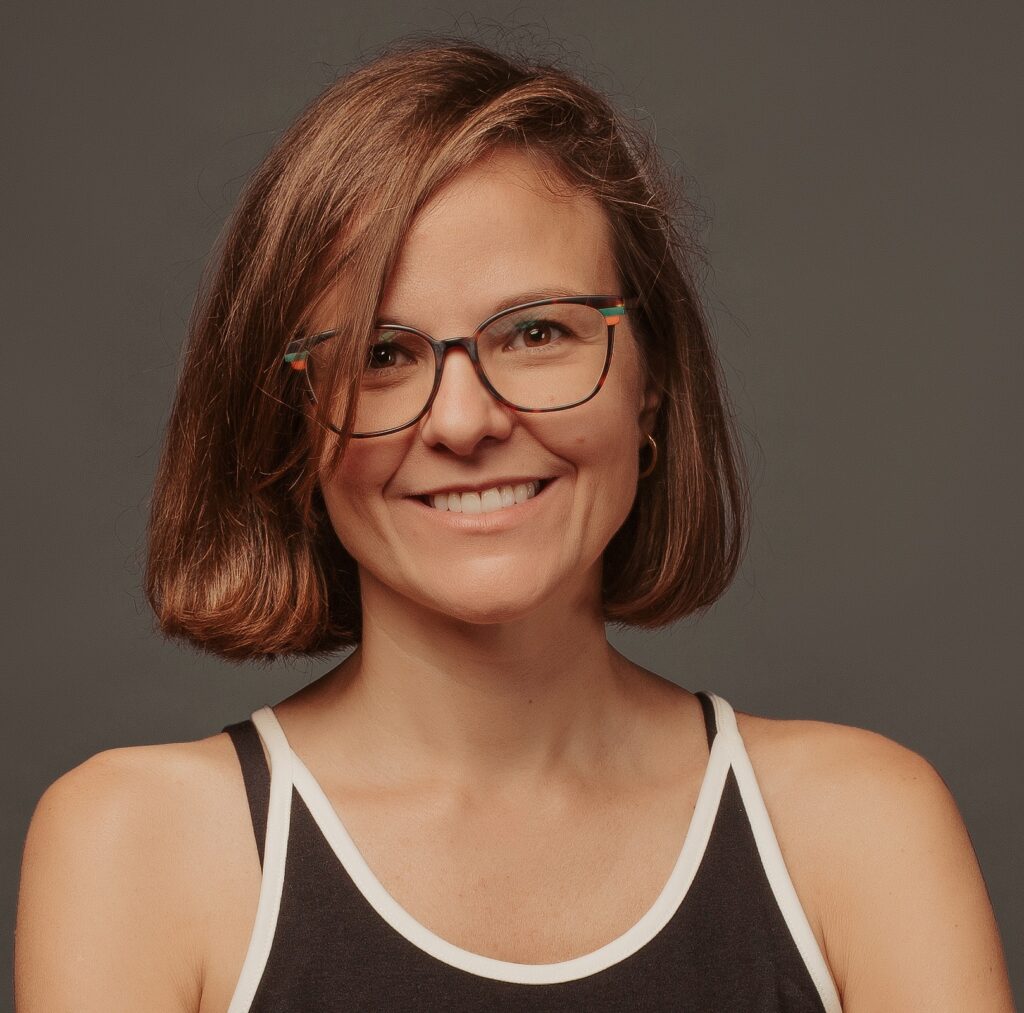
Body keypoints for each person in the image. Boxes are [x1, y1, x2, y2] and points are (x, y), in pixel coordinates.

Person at [14, 35, 1013, 1013]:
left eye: (537, 332)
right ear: (291, 419)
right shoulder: (139, 846)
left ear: (652, 383)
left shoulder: (858, 830)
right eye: (382, 353)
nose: (464, 421)